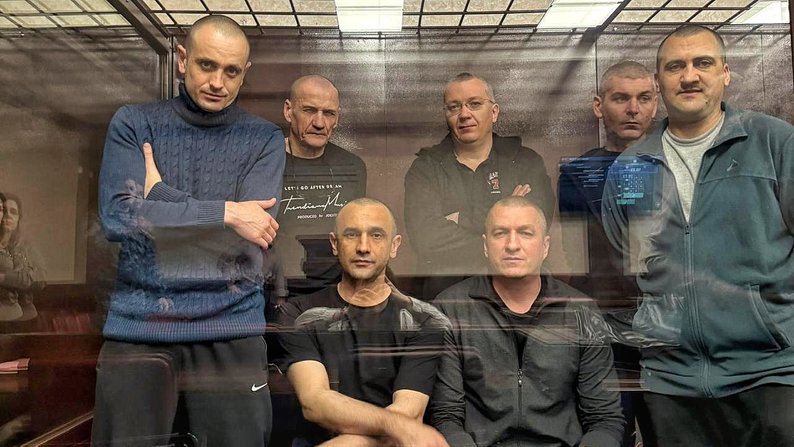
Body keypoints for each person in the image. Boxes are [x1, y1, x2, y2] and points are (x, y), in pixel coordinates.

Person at [92, 14, 285, 446]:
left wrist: (159, 196)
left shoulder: (264, 139)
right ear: (182, 59)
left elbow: (252, 235)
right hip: (139, 330)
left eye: (231, 71)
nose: (217, 82)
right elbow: (119, 218)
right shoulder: (134, 123)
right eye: (206, 65)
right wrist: (228, 213)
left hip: (230, 329)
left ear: (245, 74)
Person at [601, 25, 794, 447]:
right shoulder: (632, 166)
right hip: (671, 380)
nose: (689, 76)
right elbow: (626, 260)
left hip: (772, 373)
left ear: (725, 73)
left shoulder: (774, 142)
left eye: (702, 63)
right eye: (675, 67)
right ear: (659, 81)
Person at [431, 196, 624, 447]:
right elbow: (446, 417)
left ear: (545, 246)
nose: (512, 245)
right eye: (500, 233)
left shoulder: (581, 311)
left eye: (525, 233)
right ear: (486, 246)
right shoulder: (450, 308)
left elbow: (604, 419)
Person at [277, 198, 450, 447]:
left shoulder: (423, 320)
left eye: (376, 235)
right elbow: (315, 402)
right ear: (334, 244)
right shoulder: (300, 313)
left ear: (394, 245)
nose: (363, 247)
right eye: (351, 235)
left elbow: (407, 413)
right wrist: (396, 427)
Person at [557, 61, 657, 446]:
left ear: (655, 104)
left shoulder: (672, 163)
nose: (633, 109)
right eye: (621, 98)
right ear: (599, 106)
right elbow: (574, 252)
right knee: (612, 429)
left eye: (643, 98)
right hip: (606, 324)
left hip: (669, 324)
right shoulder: (579, 172)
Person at [404, 72, 554, 300]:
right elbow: (426, 239)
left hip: (516, 296)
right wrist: (501, 217)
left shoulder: (526, 162)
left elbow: (533, 232)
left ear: (494, 112)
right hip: (443, 297)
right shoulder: (425, 168)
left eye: (474, 104)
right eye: (454, 107)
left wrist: (458, 219)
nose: (464, 114)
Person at [273, 75, 367, 302]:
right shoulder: (267, 163)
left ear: (337, 118)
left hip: (338, 290)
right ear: (288, 111)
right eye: (309, 110)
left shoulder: (352, 166)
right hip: (279, 289)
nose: (319, 122)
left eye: (329, 113)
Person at [0, 193, 45, 323]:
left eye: (13, 212)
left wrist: (4, 278)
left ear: (19, 218)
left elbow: (40, 278)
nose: (8, 215)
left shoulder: (27, 247)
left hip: (27, 316)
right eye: (4, 210)